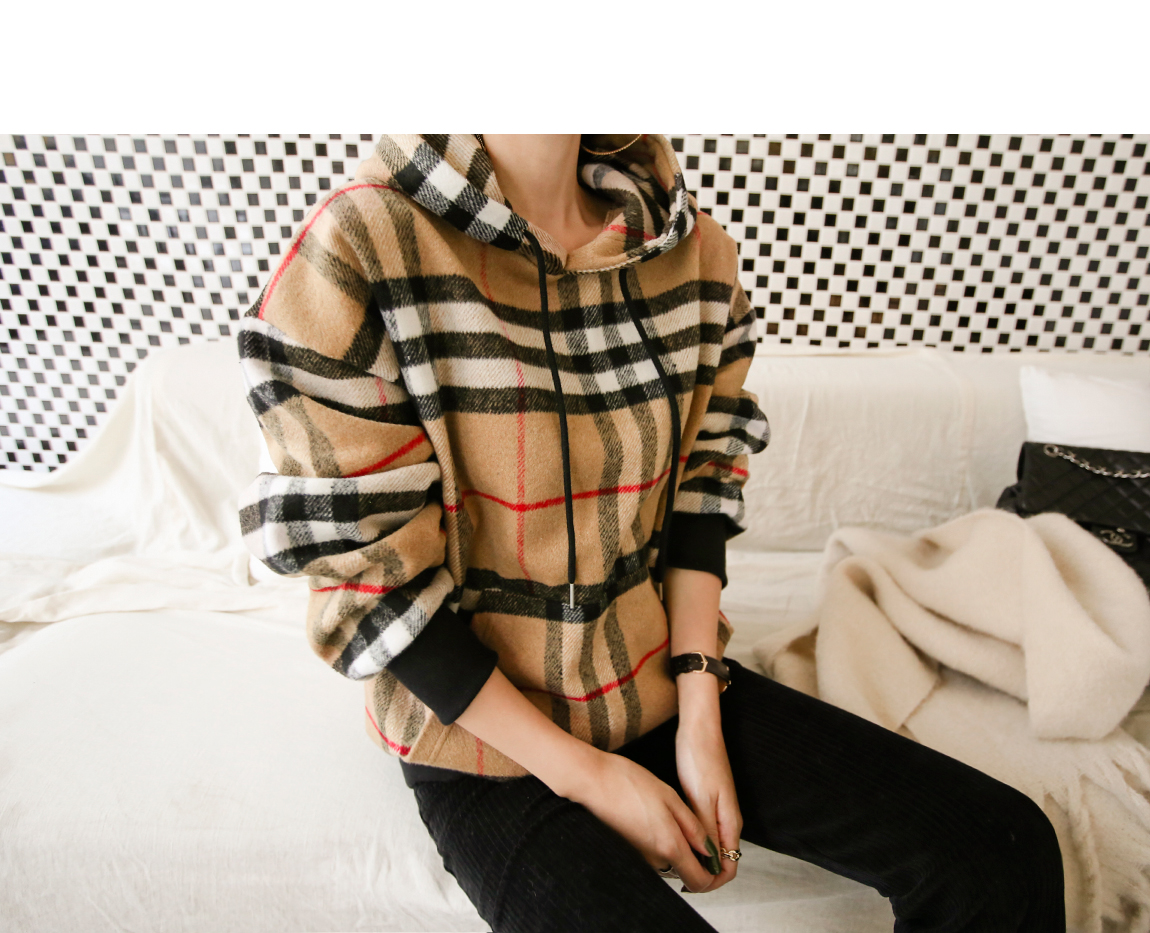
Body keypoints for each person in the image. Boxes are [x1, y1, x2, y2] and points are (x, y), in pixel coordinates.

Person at [236, 133, 1066, 932]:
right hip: (479, 736)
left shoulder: (692, 252)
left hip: (652, 679)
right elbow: (371, 577)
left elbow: (701, 488)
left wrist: (700, 710)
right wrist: (591, 777)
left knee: (1005, 853)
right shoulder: (362, 244)